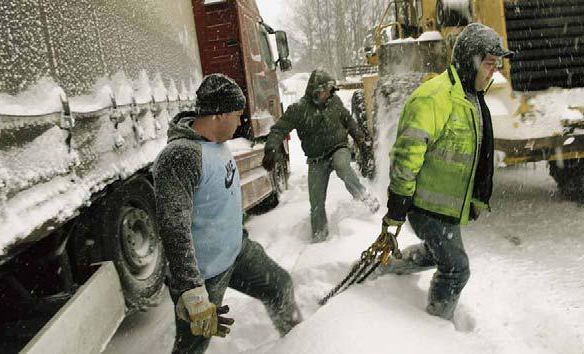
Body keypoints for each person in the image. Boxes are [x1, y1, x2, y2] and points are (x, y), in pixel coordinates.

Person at [153, 74, 302, 353]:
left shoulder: (217, 144)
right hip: (204, 275)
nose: (240, 121)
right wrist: (191, 292)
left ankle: (302, 343)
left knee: (279, 286)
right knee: (192, 346)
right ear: (219, 114)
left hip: (236, 252)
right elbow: (174, 227)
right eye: (237, 114)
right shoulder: (180, 156)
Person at [378, 23, 514, 320]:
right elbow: (406, 154)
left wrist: (475, 199)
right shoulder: (435, 98)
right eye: (489, 64)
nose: (494, 71)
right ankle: (436, 329)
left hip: (444, 206)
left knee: (433, 252)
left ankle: (387, 265)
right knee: (456, 269)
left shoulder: (470, 96)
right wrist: (399, 202)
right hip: (426, 206)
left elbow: (479, 155)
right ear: (470, 60)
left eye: (496, 64)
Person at [262, 69, 380, 242]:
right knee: (316, 201)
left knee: (342, 165)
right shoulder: (298, 109)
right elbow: (279, 129)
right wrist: (271, 148)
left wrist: (361, 140)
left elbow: (349, 121)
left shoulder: (335, 102)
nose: (330, 94)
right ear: (316, 90)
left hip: (338, 148)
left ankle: (365, 197)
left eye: (331, 90)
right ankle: (319, 237)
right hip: (317, 159)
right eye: (327, 90)